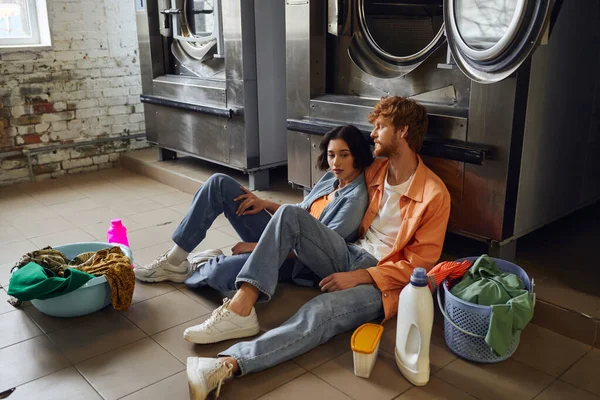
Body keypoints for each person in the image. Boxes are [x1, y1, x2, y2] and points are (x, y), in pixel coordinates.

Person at [185, 96, 452, 400]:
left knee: (320, 311)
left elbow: (417, 268)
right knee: (289, 215)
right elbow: (325, 194)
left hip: (382, 282)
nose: (373, 134)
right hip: (348, 253)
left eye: (380, 127)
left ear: (403, 132)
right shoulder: (376, 171)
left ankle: (228, 364)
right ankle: (241, 307)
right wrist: (268, 205)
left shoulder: (434, 195)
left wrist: (362, 276)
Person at [134, 125, 374, 297]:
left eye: (344, 155)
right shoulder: (331, 179)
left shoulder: (354, 199)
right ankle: (175, 260)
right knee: (219, 183)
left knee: (219, 272)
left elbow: (317, 250)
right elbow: (299, 212)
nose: (336, 163)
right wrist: (264, 203)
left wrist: (258, 246)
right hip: (281, 237)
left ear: (358, 156)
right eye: (332, 155)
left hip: (299, 262)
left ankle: (201, 264)